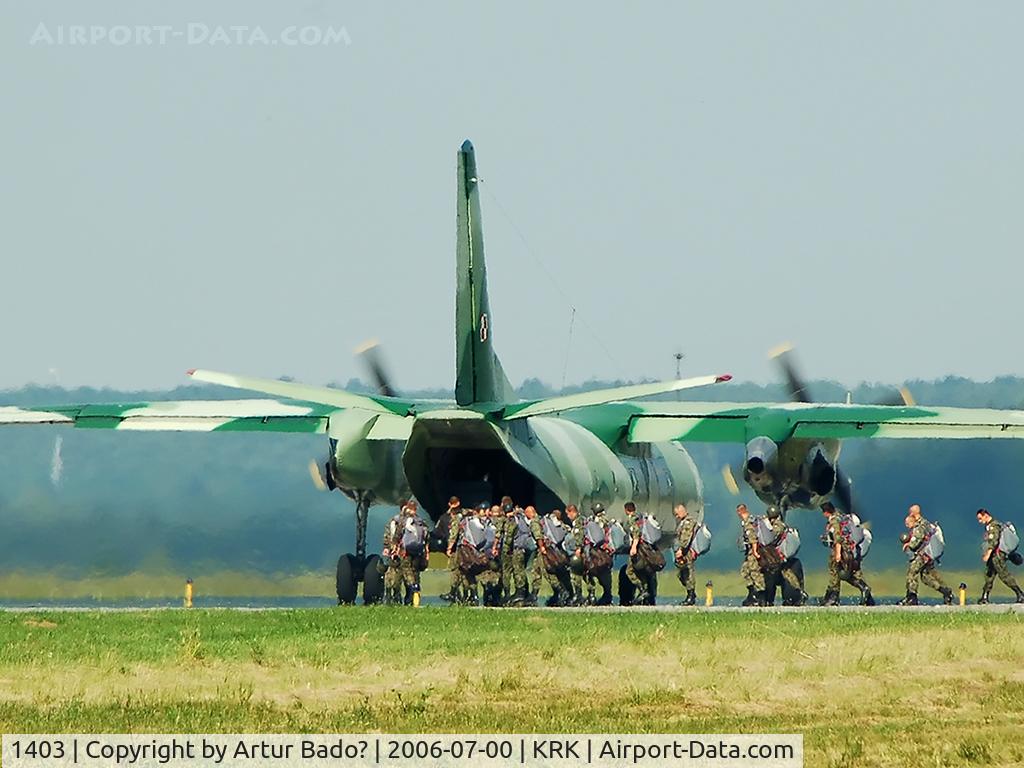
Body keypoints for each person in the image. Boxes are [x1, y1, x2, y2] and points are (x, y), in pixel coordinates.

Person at [818, 501, 874, 606]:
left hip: (841, 551)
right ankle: (867, 595)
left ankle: (833, 598)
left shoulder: (834, 521)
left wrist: (838, 554)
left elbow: (837, 538)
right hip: (851, 551)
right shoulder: (842, 517)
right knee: (854, 572)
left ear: (826, 512)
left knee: (834, 572)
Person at [900, 504, 953, 605]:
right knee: (926, 578)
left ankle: (912, 597)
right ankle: (946, 591)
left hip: (922, 555)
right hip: (928, 555)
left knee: (912, 573)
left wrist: (908, 544)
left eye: (911, 513)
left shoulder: (921, 526)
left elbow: (916, 542)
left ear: (914, 513)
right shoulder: (924, 524)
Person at [976, 508, 1024, 604]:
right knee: (989, 576)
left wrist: (987, 554)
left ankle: (1020, 594)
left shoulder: (994, 526)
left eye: (980, 518)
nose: (980, 521)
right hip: (993, 555)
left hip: (997, 555)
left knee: (1004, 576)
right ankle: (984, 597)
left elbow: (994, 541)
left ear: (986, 515)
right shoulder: (989, 526)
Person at [763, 504, 805, 605]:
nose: (772, 520)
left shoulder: (778, 526)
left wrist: (765, 525)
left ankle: (795, 596)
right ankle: (768, 599)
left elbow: (771, 538)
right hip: (775, 560)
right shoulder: (772, 526)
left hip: (779, 560)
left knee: (788, 579)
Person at [623, 502, 659, 605]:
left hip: (639, 549)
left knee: (629, 571)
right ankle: (649, 594)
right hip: (646, 549)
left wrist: (633, 547)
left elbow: (636, 533)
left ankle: (643, 590)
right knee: (645, 570)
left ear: (626, 510)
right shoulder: (641, 518)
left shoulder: (632, 519)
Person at [583, 502, 614, 605]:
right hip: (607, 551)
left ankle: (592, 594)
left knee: (589, 570)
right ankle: (607, 594)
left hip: (597, 550)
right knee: (605, 574)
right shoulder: (608, 520)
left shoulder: (596, 521)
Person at [736, 503, 766, 607]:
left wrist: (755, 551)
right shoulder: (749, 521)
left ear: (740, 512)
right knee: (745, 571)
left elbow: (753, 538)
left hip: (753, 553)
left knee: (755, 572)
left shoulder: (748, 523)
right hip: (749, 552)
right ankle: (752, 594)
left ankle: (762, 596)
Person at [565, 504, 594, 604]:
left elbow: (579, 535)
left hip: (580, 551)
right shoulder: (583, 519)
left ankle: (578, 595)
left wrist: (578, 548)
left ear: (572, 512)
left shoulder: (578, 522)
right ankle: (591, 595)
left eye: (568, 514)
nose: (568, 516)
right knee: (586, 573)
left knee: (576, 572)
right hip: (585, 550)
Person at [442, 496, 468, 603]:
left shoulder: (456, 517)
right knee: (466, 571)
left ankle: (454, 593)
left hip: (459, 547)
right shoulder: (467, 513)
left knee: (455, 570)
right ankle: (468, 594)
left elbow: (454, 534)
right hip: (468, 547)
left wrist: (449, 548)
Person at [672, 503, 699, 606]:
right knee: (682, 574)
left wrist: (681, 550)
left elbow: (685, 537)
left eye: (677, 514)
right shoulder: (683, 522)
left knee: (688, 573)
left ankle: (690, 596)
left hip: (686, 551)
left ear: (682, 511)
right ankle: (691, 593)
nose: (677, 517)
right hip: (684, 550)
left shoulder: (688, 522)